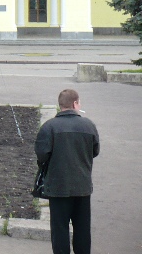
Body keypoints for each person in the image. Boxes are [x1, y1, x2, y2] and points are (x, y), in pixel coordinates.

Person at [34, 88, 99, 254]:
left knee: (60, 229)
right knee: (83, 229)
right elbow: (95, 151)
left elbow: (42, 155)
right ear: (75, 103)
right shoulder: (89, 125)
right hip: (82, 186)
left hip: (58, 187)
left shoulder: (49, 127)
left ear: (60, 105)